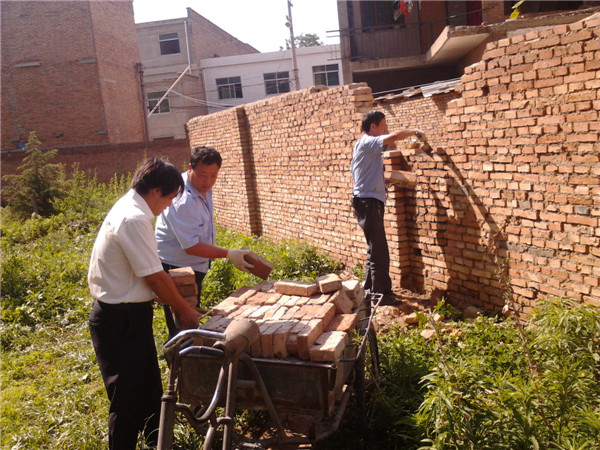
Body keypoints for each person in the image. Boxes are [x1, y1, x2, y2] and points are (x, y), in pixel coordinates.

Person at [88, 157, 200, 449]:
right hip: (119, 319)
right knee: (127, 397)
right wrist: (185, 310)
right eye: (169, 198)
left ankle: (158, 441)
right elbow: (156, 278)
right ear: (156, 191)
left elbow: (152, 275)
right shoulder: (134, 218)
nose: (168, 206)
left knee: (150, 386)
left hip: (131, 315)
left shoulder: (130, 206)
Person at [155, 146, 253, 337]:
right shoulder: (182, 199)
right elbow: (191, 246)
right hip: (177, 268)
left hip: (192, 265)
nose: (208, 181)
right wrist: (228, 254)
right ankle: (179, 353)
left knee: (190, 317)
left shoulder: (202, 187)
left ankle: (188, 348)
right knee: (182, 324)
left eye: (213, 176)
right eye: (202, 175)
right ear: (190, 168)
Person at [351, 110, 425, 305]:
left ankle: (370, 290)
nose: (386, 130)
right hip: (369, 202)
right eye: (383, 125)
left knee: (374, 248)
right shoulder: (368, 142)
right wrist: (414, 132)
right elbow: (394, 138)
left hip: (365, 201)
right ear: (373, 126)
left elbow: (388, 147)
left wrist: (387, 180)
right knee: (380, 251)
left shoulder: (364, 144)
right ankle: (381, 295)